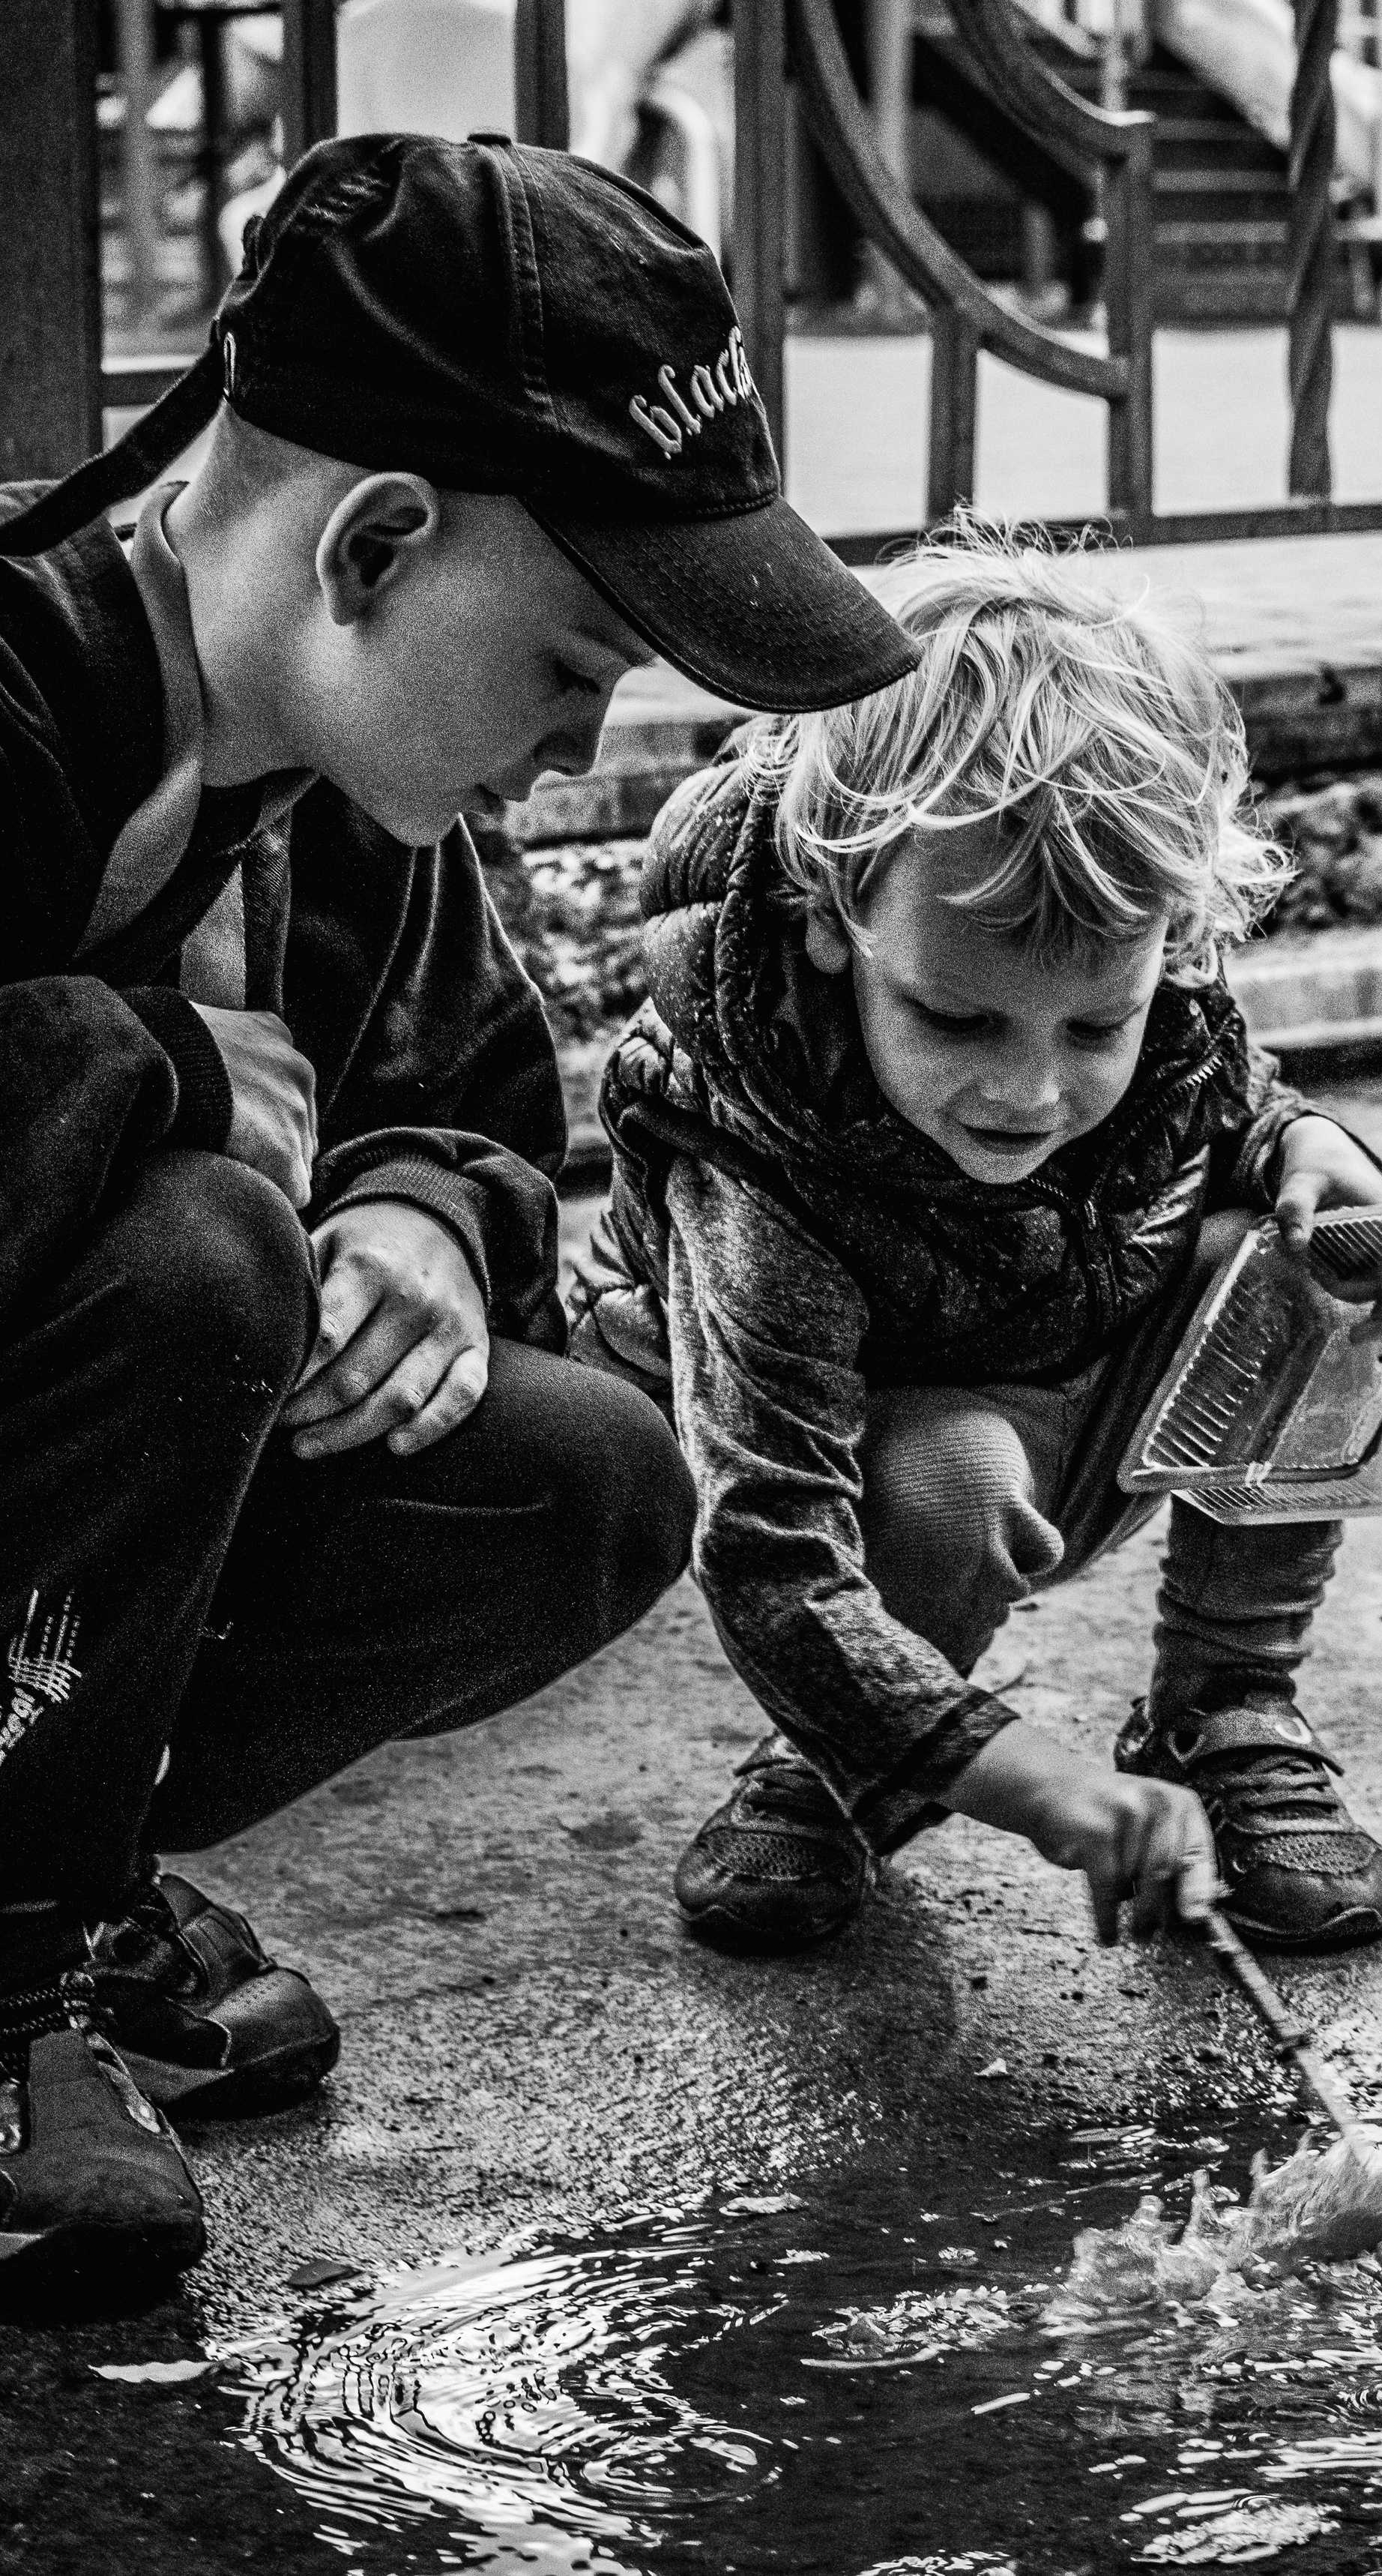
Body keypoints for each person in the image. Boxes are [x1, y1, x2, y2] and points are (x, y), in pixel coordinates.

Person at [0, 130, 918, 2296]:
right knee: (204, 1241)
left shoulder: (350, 801)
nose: (583, 745)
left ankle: (62, 1861)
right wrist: (143, 1068)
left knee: (584, 1471)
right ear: (377, 542)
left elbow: (479, 1101)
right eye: (572, 663)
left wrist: (417, 1210)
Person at [570, 526, 1382, 1961]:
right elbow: (772, 1550)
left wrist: (1306, 1147)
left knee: (1302, 1264)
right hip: (868, 1462)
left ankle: (1219, 1709)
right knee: (954, 1480)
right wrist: (1037, 1791)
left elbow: (1221, 1098)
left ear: (1177, 937)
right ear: (835, 914)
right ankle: (842, 1761)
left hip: (1067, 1369)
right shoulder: (755, 1157)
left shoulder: (1157, 1002)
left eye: (1096, 1024)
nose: (1031, 1092)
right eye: (960, 1022)